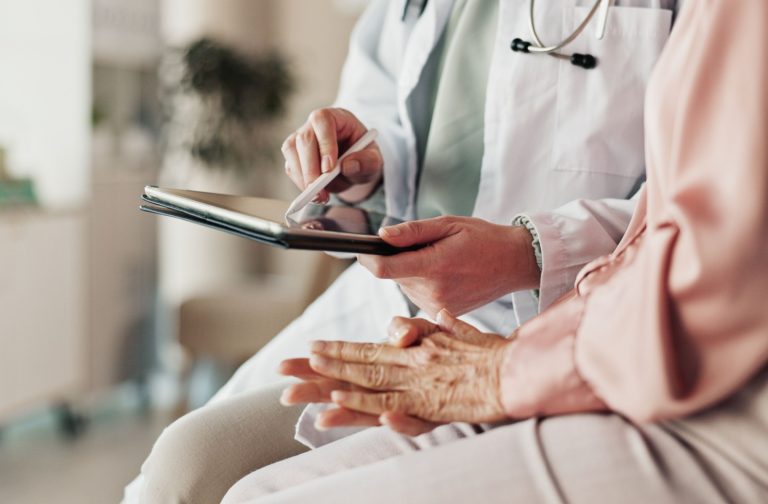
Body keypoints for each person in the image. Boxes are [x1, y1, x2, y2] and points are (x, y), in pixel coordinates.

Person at [125, 0, 677, 502]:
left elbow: (703, 205)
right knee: (175, 473)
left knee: (222, 480)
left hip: (544, 325)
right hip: (390, 302)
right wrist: (355, 168)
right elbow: (388, 119)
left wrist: (528, 254)